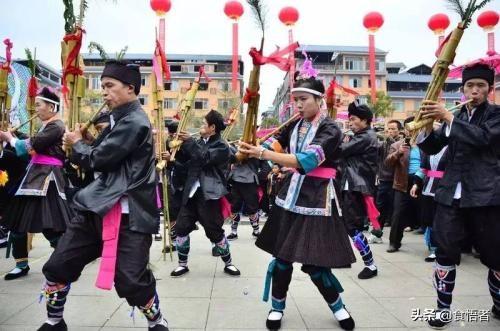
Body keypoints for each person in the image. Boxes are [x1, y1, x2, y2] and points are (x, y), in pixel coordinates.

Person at [38, 60, 169, 330]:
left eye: (110, 86)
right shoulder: (114, 120)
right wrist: (81, 143)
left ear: (130, 88)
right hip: (95, 207)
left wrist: (77, 145)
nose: (104, 92)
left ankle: (156, 321)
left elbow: (100, 159)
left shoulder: (135, 121)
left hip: (130, 212)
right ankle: (54, 322)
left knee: (132, 281)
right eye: (104, 86)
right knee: (59, 264)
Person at [239, 72, 356, 330]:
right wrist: (250, 146)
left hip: (317, 198)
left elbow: (308, 160)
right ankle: (277, 307)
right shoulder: (294, 125)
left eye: (303, 99)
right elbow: (275, 148)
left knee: (315, 265)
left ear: (319, 99)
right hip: (289, 196)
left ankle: (338, 306)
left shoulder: (331, 129)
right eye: (295, 100)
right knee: (281, 260)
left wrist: (263, 152)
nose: (298, 105)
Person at [416, 63, 500, 328]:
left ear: (490, 89)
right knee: (444, 251)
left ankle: (498, 304)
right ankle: (442, 309)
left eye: (480, 86)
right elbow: (432, 146)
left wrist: (449, 118)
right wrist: (425, 126)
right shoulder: (458, 114)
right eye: (469, 86)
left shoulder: (496, 114)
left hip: (486, 196)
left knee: (495, 254)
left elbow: (484, 138)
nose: (474, 91)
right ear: (463, 89)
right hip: (450, 195)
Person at [0, 87, 71, 281]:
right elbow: (29, 145)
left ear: (51, 106)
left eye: (38, 105)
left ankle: (65, 263)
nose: (36, 109)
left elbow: (33, 146)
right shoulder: (47, 126)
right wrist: (12, 139)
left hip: (48, 179)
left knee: (51, 227)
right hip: (34, 177)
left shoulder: (56, 126)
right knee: (17, 222)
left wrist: (10, 138)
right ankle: (21, 264)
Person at [170, 110, 241, 278]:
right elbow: (187, 165)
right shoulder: (198, 142)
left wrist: (188, 143)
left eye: (203, 124)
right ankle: (182, 264)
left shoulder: (222, 146)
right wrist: (173, 157)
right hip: (191, 194)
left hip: (209, 194)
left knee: (214, 231)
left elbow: (204, 157)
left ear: (213, 127)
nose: (201, 127)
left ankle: (228, 262)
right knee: (180, 229)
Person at [339, 102, 381, 280]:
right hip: (352, 184)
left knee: (353, 228)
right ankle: (343, 257)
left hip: (356, 186)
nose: (350, 122)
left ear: (365, 121)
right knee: (345, 225)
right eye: (349, 119)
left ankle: (370, 265)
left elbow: (340, 150)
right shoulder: (362, 135)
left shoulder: (365, 137)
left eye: (353, 119)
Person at [385, 116, 422, 253]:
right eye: (409, 128)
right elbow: (387, 163)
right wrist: (398, 152)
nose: (412, 131)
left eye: (415, 127)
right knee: (398, 214)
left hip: (421, 181)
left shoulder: (424, 144)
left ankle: (435, 246)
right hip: (403, 182)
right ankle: (394, 242)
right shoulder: (397, 145)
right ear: (405, 130)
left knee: (427, 213)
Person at [376, 120, 402, 229]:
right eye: (389, 129)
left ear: (399, 130)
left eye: (393, 129)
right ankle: (377, 231)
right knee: (380, 204)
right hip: (384, 178)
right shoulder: (383, 143)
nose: (390, 131)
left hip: (397, 179)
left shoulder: (402, 143)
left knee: (395, 207)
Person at [227, 157, 261, 240]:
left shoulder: (255, 152)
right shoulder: (235, 151)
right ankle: (233, 232)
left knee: (252, 208)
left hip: (250, 182)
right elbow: (229, 160)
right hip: (236, 181)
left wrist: (258, 176)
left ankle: (256, 231)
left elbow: (265, 165)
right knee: (234, 207)